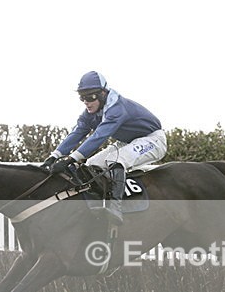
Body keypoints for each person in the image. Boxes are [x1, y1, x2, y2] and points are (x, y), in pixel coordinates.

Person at [42, 71, 167, 223]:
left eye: (90, 97)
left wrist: (70, 159)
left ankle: (115, 207)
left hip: (153, 139)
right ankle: (98, 203)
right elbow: (78, 132)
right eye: (82, 98)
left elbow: (99, 136)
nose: (86, 102)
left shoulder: (117, 108)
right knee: (90, 165)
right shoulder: (90, 113)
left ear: (102, 94)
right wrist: (54, 156)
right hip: (127, 142)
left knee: (117, 160)